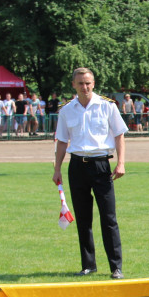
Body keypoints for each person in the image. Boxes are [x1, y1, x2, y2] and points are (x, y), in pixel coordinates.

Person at [52, 67, 127, 280]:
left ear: (93, 84)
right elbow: (62, 142)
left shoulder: (107, 106)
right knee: (83, 219)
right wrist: (57, 169)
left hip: (101, 166)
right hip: (76, 167)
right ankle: (88, 265)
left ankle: (116, 267)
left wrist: (121, 163)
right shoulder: (66, 110)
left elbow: (119, 135)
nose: (84, 87)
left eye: (88, 83)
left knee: (109, 217)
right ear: (73, 85)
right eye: (80, 83)